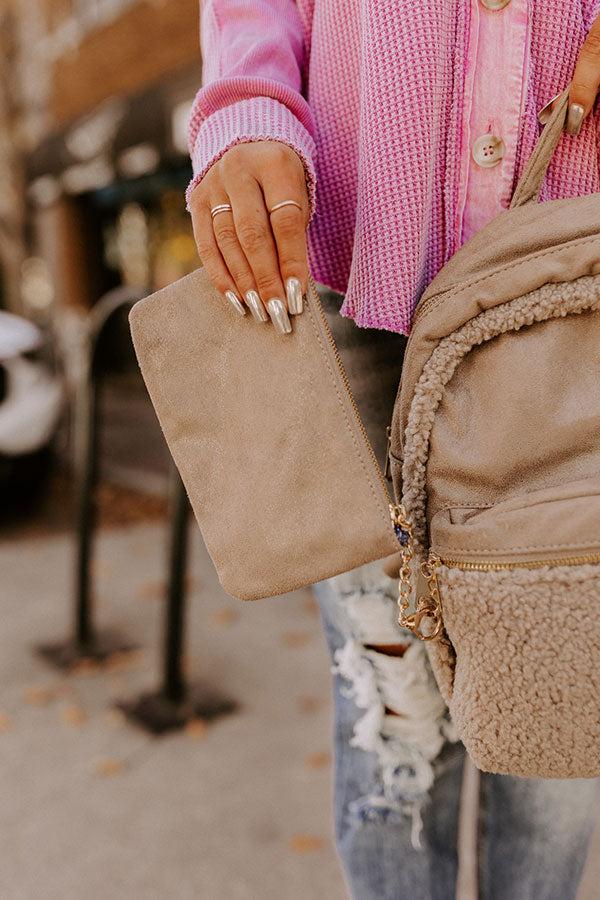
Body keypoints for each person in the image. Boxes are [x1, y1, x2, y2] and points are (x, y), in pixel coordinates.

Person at [186, 3, 600, 897]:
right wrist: (245, 107)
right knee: (395, 737)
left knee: (566, 727)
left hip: (577, 287)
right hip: (357, 264)